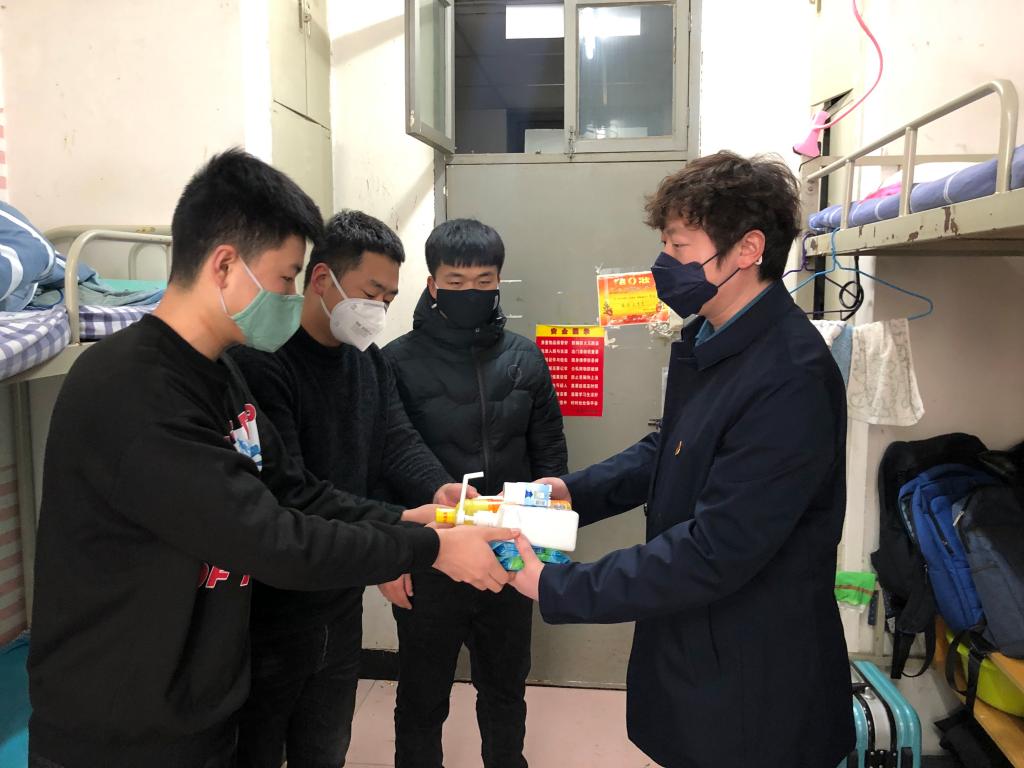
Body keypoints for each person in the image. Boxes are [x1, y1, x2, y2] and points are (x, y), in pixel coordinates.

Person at [27, 150, 511, 768]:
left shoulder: (222, 376)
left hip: (200, 703)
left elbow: (294, 489)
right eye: (285, 279)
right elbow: (273, 538)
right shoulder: (131, 388)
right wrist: (433, 548)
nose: (290, 296)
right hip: (121, 729)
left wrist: (413, 518)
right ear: (225, 265)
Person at [508, 152, 856, 768]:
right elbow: (670, 448)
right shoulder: (711, 338)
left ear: (748, 249)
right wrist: (570, 492)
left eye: (679, 245)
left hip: (754, 670)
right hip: (699, 638)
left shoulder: (788, 375)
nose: (664, 263)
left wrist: (557, 584)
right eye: (664, 243)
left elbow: (716, 549)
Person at [229, 210, 467, 768]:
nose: (378, 310)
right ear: (321, 278)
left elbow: (396, 439)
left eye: (389, 298)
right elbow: (294, 493)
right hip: (271, 608)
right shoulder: (261, 363)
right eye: (370, 292)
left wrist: (439, 488)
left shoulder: (367, 362)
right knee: (255, 748)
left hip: (339, 596)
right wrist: (404, 528)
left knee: (326, 745)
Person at [383, 219, 568, 768]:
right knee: (422, 696)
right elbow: (381, 464)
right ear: (432, 284)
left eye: (483, 281)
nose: (471, 292)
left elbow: (550, 457)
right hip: (429, 553)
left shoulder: (525, 358)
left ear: (498, 282)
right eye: (456, 282)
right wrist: (387, 557)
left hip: (511, 551)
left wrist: (547, 543)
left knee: (506, 688)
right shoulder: (393, 362)